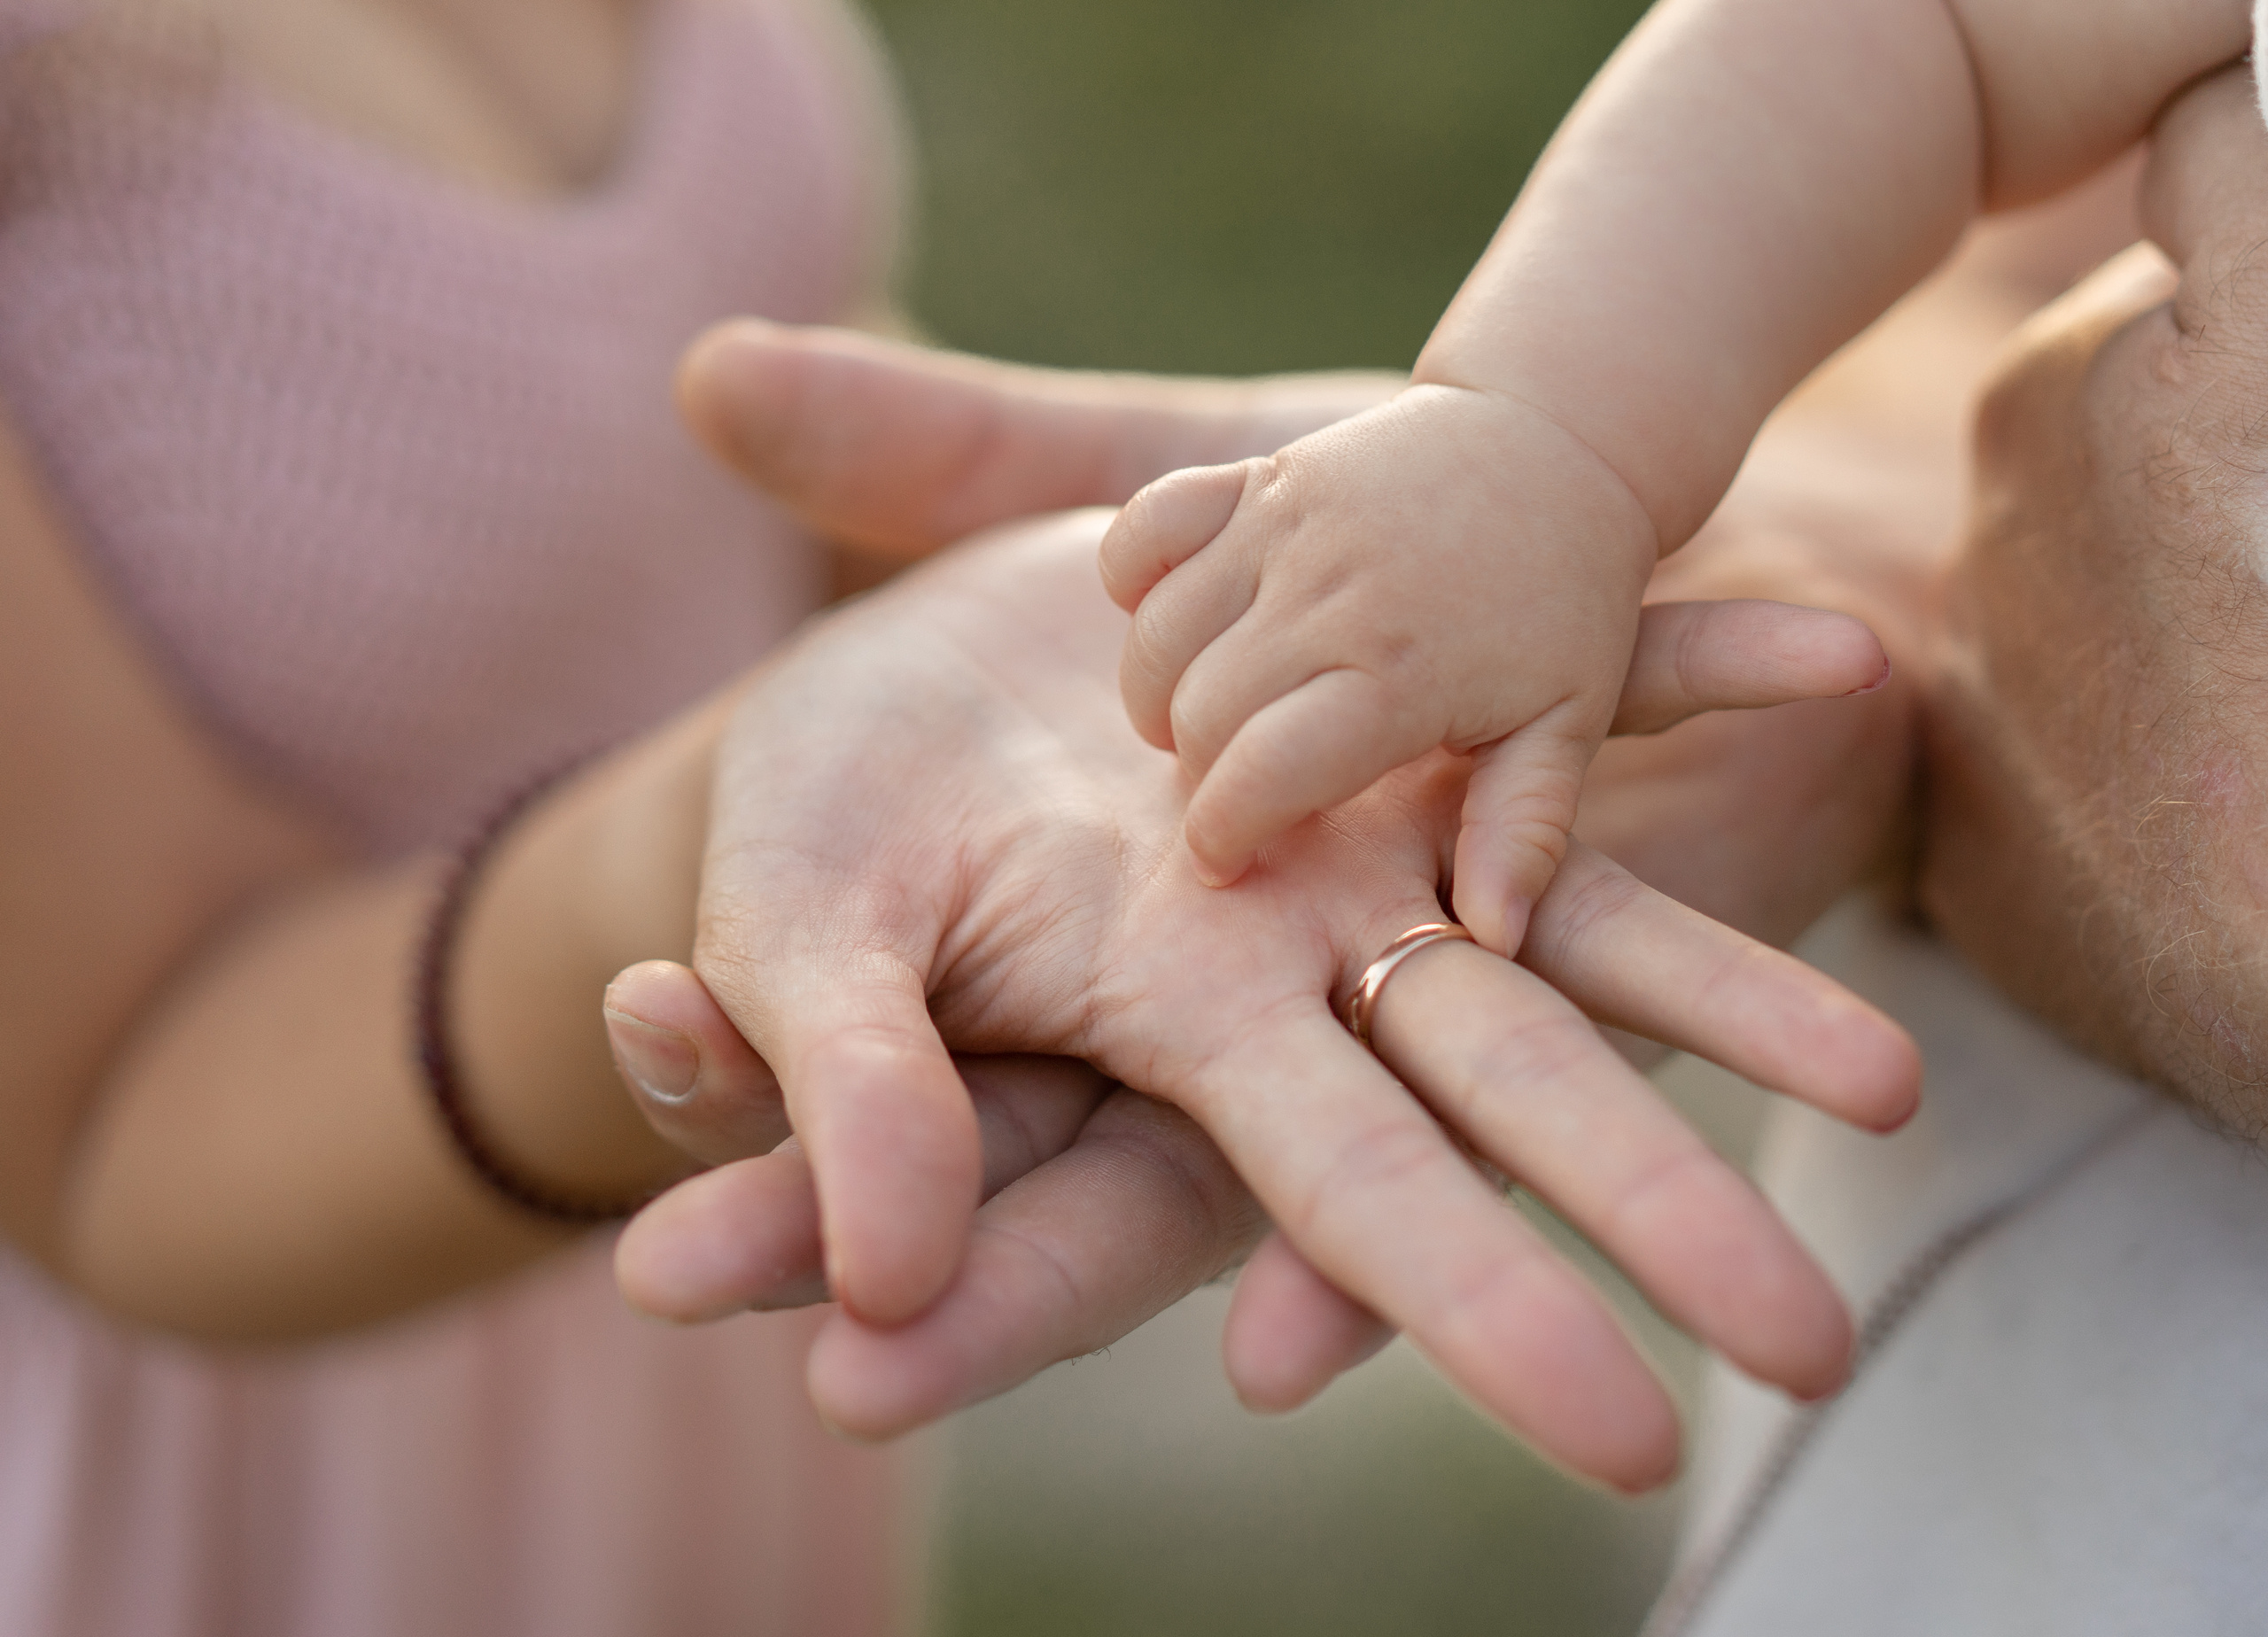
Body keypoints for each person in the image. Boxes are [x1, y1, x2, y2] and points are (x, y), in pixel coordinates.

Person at [0, 1, 1920, 1630]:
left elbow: (699, 467)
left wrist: (1220, 615)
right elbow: (109, 1100)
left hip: (698, 1348)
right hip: (246, 1439)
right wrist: (728, 828)